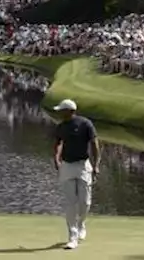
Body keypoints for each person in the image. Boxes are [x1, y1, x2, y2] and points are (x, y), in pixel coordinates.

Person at [53, 99, 100, 250]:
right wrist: (56, 157)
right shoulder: (61, 127)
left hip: (83, 165)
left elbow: (94, 143)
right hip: (67, 165)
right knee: (70, 202)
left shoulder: (85, 124)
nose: (59, 113)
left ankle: (81, 224)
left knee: (85, 202)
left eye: (62, 110)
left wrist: (96, 164)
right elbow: (59, 143)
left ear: (70, 111)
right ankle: (72, 236)